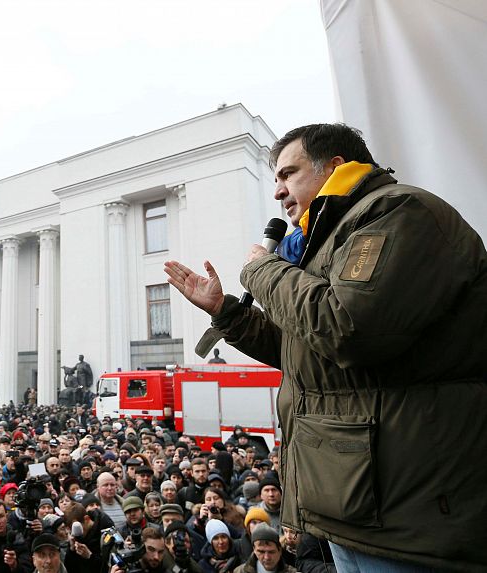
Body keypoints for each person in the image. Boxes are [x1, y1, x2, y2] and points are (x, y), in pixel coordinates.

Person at [164, 122, 487, 572]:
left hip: (404, 518)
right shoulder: (326, 241)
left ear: (336, 166)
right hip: (354, 504)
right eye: (275, 178)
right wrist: (227, 311)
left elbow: (348, 327)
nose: (278, 192)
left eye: (288, 174)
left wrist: (262, 271)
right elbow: (305, 350)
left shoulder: (394, 213)